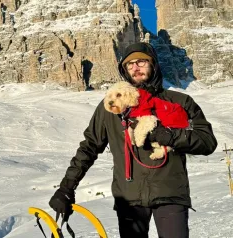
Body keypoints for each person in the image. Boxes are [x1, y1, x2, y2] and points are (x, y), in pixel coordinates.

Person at [49, 42, 217, 238]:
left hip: (170, 193)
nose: (136, 68)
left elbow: (207, 141)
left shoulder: (179, 101)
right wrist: (66, 188)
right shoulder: (110, 109)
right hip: (129, 198)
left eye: (141, 62)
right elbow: (89, 147)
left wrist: (170, 136)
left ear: (153, 64)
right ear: (124, 70)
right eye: (130, 64)